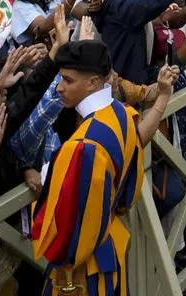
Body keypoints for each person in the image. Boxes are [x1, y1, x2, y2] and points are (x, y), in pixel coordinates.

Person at [31, 39, 147, 296]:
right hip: (110, 248)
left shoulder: (83, 146)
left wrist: (52, 179)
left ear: (93, 82)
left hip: (85, 272)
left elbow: (64, 236)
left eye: (68, 80)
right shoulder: (124, 113)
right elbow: (129, 192)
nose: (59, 87)